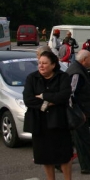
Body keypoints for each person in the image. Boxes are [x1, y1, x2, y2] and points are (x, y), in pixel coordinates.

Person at [23, 51, 73, 180]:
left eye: (44, 63)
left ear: (53, 65)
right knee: (45, 157)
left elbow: (64, 96)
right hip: (40, 123)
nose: (41, 66)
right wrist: (49, 102)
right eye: (39, 63)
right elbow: (28, 99)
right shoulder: (31, 78)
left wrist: (43, 96)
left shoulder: (63, 77)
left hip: (59, 122)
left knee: (64, 156)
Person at [66, 50, 90, 175]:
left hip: (82, 110)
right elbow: (70, 93)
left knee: (72, 140)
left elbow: (87, 83)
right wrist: (78, 113)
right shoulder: (76, 72)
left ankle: (60, 164)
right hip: (78, 113)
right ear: (84, 59)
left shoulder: (81, 69)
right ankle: (86, 166)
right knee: (82, 141)